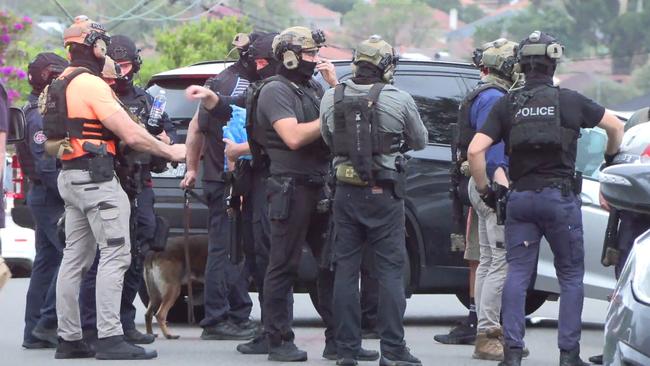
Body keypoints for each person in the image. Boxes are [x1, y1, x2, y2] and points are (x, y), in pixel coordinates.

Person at [467, 30, 624, 366]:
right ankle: (568, 355)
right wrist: (610, 160)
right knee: (569, 276)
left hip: (521, 199)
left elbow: (475, 150)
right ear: (554, 62)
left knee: (518, 274)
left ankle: (511, 354)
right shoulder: (570, 100)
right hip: (560, 200)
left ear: (521, 64)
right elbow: (615, 127)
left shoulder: (507, 103)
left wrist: (486, 191)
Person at [44, 15, 185, 360]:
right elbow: (131, 133)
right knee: (116, 255)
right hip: (98, 181)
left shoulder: (57, 83)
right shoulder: (91, 84)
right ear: (97, 46)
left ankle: (70, 338)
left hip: (70, 178)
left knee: (74, 259)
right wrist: (171, 151)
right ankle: (109, 337)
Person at [320, 35, 426, 366]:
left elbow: (327, 139)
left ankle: (346, 351)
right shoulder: (399, 98)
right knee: (391, 272)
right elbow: (420, 141)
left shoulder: (330, 97)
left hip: (345, 195)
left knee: (346, 272)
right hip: (385, 194)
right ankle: (392, 351)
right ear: (386, 68)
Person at [77, 34, 176, 346]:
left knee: (138, 253)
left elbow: (167, 140)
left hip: (140, 184)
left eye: (125, 64)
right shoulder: (96, 95)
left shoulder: (146, 101)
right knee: (102, 256)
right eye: (114, 65)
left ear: (135, 65)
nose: (120, 71)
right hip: (106, 183)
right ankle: (93, 328)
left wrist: (158, 138)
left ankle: (123, 322)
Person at [180, 32, 262, 341]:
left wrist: (191, 168)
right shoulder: (237, 85)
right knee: (224, 250)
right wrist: (193, 167)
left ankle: (238, 313)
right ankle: (216, 318)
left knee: (235, 249)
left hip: (222, 176)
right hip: (227, 179)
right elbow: (200, 127)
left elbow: (195, 128)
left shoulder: (221, 79)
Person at [462, 39, 518, 361]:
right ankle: (488, 335)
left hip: (477, 182)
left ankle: (484, 329)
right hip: (490, 184)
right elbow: (492, 155)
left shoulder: (480, 93)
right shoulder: (496, 98)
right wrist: (499, 190)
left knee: (486, 261)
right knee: (500, 263)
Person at [19, 53, 68, 349]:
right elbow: (47, 163)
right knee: (71, 257)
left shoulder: (34, 107)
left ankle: (35, 331)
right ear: (49, 75)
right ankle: (47, 324)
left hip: (42, 195)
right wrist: (69, 194)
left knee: (47, 262)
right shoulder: (38, 112)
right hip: (50, 195)